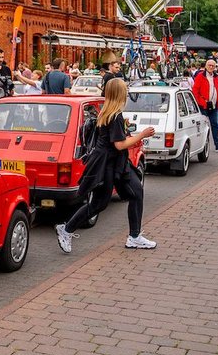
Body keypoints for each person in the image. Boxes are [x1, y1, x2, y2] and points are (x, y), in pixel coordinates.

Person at [55, 78, 157, 252]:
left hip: (111, 162)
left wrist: (126, 128)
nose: (126, 92)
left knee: (133, 193)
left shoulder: (107, 112)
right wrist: (142, 135)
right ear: (120, 93)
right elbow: (119, 144)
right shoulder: (115, 115)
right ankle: (67, 229)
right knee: (104, 202)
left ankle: (134, 236)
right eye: (124, 90)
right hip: (110, 164)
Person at [191, 59, 218, 152]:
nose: (211, 67)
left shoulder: (216, 77)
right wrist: (201, 102)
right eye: (209, 65)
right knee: (203, 127)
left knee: (215, 125)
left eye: (213, 65)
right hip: (203, 105)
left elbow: (217, 90)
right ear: (206, 66)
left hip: (213, 105)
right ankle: (202, 146)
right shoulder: (200, 76)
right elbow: (195, 91)